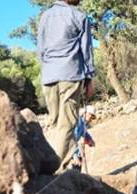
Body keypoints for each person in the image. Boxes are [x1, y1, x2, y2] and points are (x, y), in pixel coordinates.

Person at [37, 0, 95, 173]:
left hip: (48, 76)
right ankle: (56, 170)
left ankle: (69, 166)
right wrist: (90, 77)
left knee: (57, 124)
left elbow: (40, 49)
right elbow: (87, 50)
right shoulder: (79, 16)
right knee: (67, 124)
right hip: (70, 74)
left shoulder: (45, 17)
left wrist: (47, 68)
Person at [71, 105, 96, 171]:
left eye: (92, 116)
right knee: (75, 168)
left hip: (75, 150)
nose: (91, 118)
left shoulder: (84, 123)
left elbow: (84, 133)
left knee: (79, 165)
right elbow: (72, 140)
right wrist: (74, 155)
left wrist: (90, 140)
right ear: (85, 113)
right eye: (90, 115)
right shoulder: (78, 122)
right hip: (69, 150)